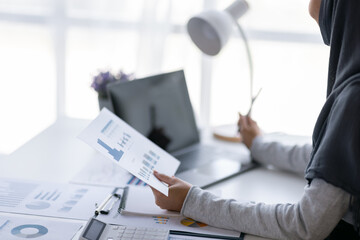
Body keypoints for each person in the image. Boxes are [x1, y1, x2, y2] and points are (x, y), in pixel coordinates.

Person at [150, 0, 360, 239]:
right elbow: (330, 160)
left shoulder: (354, 96)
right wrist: (260, 147)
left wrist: (191, 201)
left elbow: (305, 224)